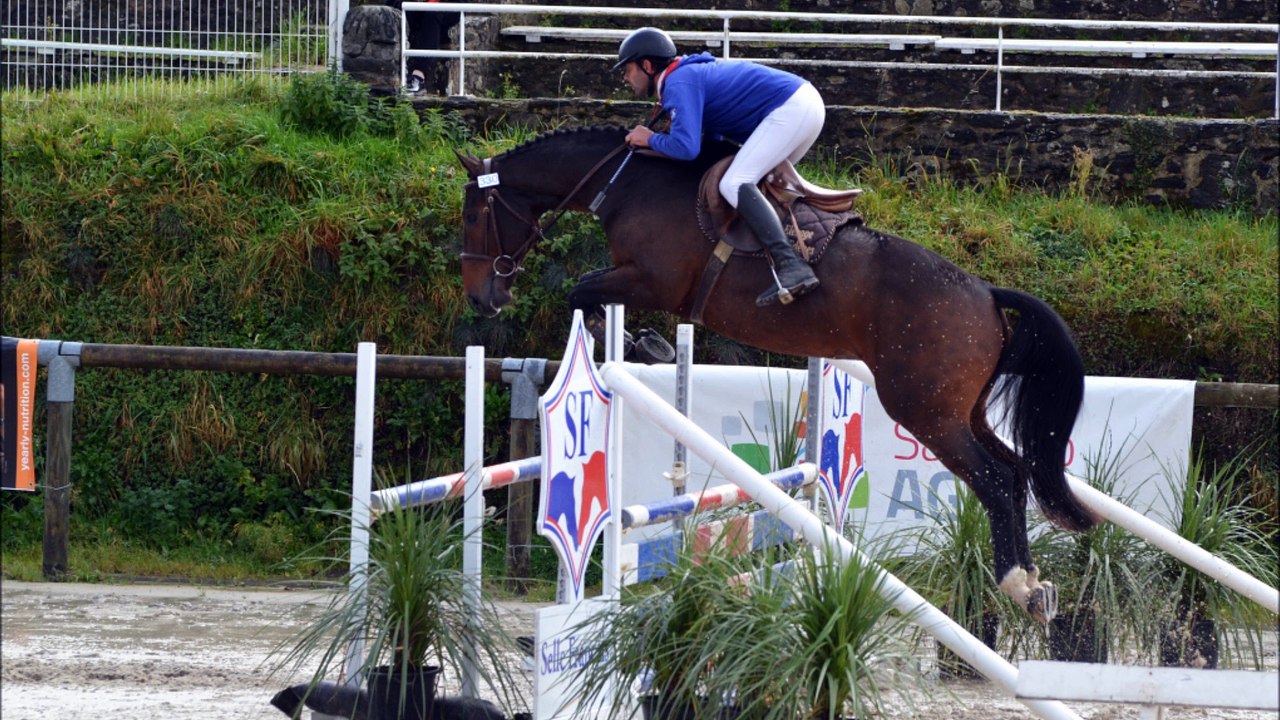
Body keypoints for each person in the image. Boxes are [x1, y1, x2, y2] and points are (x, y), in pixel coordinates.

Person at [614, 26, 823, 307]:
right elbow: (709, 144)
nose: (625, 77)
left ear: (647, 65)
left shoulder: (678, 82)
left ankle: (791, 266)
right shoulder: (684, 77)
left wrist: (650, 138)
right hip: (800, 106)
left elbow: (687, 148)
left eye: (627, 69)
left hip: (791, 108)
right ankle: (781, 263)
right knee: (748, 187)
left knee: (734, 183)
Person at [388, 0, 461, 94]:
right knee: (399, 12)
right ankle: (389, 74)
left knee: (432, 15)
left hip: (445, 7)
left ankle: (418, 76)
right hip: (414, 7)